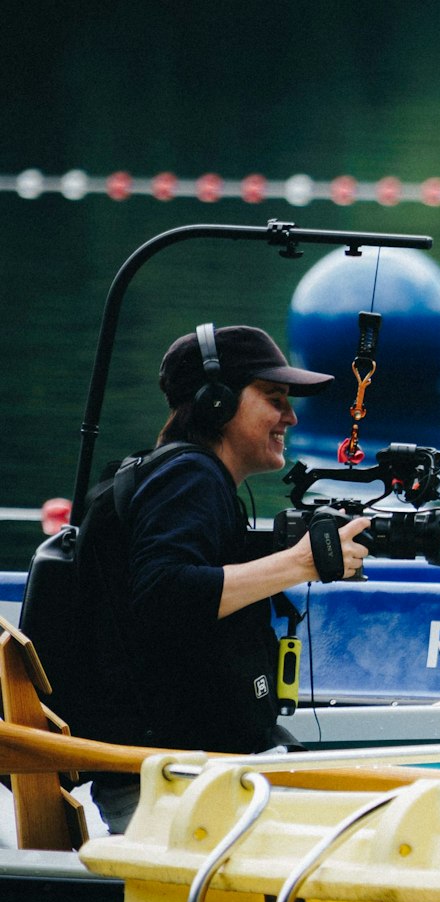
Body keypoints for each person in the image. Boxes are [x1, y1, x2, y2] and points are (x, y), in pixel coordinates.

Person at [74, 324, 370, 830]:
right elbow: (163, 595)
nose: (291, 417)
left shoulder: (185, 477)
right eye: (274, 399)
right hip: (172, 788)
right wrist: (301, 562)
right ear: (216, 402)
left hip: (195, 773)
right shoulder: (189, 476)